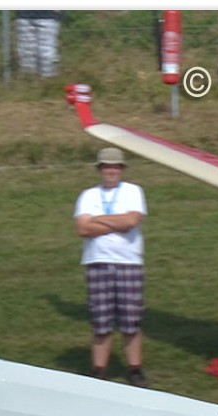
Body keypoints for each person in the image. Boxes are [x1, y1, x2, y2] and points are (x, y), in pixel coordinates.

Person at [74, 146, 149, 386]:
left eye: (115, 167)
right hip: (97, 262)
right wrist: (117, 221)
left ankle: (135, 369)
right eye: (107, 166)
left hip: (129, 262)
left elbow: (132, 221)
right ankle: (99, 370)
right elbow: (83, 228)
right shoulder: (88, 195)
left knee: (131, 320)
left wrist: (98, 219)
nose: (111, 171)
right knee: (101, 321)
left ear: (121, 169)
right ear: (100, 169)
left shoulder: (133, 191)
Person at [14, 11, 61, 78]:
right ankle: (30, 81)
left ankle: (48, 81)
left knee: (46, 57)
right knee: (26, 58)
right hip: (24, 16)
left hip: (48, 16)